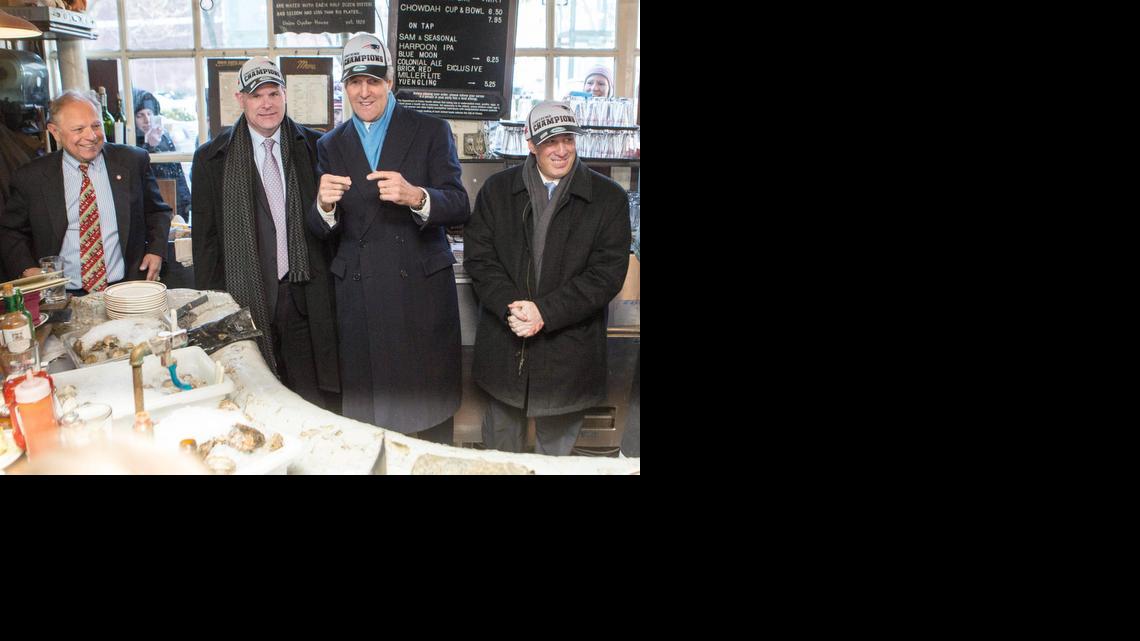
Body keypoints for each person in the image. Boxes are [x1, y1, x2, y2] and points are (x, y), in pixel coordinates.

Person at [309, 35, 469, 444]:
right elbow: (321, 228)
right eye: (355, 82)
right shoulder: (329, 144)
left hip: (418, 294)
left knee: (426, 426)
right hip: (359, 301)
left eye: (374, 81)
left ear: (391, 81)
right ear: (344, 87)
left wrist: (417, 196)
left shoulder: (431, 130)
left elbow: (460, 205)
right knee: (369, 431)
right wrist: (324, 208)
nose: (364, 92)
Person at [464, 101, 630, 455]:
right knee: (500, 457)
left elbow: (606, 274)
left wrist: (545, 312)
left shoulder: (608, 198)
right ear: (530, 143)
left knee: (555, 460)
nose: (561, 150)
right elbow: (480, 259)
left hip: (569, 355)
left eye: (567, 139)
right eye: (550, 141)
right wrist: (514, 309)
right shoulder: (496, 191)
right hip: (506, 347)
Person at [191, 57, 340, 409]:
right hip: (244, 301)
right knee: (253, 400)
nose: (267, 103)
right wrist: (213, 310)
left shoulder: (318, 148)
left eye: (274, 93)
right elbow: (207, 243)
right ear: (240, 99)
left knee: (311, 403)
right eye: (256, 95)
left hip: (305, 298)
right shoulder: (211, 158)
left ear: (285, 95)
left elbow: (333, 225)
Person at [0, 90, 171, 292]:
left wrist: (156, 250)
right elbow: (9, 230)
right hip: (61, 295)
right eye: (79, 129)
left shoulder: (133, 161)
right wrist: (27, 269)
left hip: (126, 288)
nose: (91, 136)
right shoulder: (31, 178)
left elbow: (157, 212)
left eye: (96, 126)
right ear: (55, 132)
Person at [133, 89, 192, 223]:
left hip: (173, 203)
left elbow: (177, 171)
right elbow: (137, 173)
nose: (147, 120)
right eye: (140, 115)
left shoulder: (164, 136)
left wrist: (186, 201)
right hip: (149, 207)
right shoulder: (132, 139)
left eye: (149, 113)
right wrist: (149, 146)